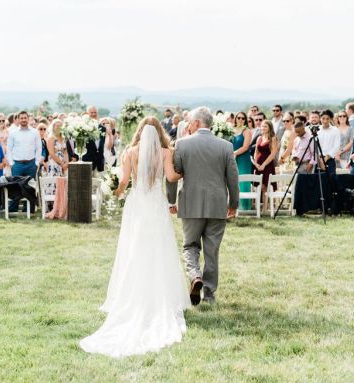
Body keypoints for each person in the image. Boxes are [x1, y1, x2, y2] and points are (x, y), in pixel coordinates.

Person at [80, 117, 190, 358]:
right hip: (156, 203)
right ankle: (162, 295)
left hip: (138, 204)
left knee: (135, 247)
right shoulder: (165, 152)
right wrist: (186, 172)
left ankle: (133, 291)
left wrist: (115, 191)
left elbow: (124, 181)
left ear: (140, 131)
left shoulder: (130, 151)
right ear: (160, 131)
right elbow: (171, 177)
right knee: (160, 248)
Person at [166, 107, 239, 306]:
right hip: (217, 205)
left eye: (190, 122)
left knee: (190, 245)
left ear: (197, 123)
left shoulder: (181, 145)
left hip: (190, 203)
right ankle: (209, 294)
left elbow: (173, 176)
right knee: (212, 250)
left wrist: (171, 200)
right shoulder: (226, 146)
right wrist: (233, 204)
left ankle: (195, 276)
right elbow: (233, 178)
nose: (188, 125)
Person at [6, 111, 43, 212]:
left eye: (25, 118)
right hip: (17, 164)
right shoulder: (13, 133)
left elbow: (39, 148)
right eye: (21, 118)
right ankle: (13, 208)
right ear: (18, 119)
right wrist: (11, 163)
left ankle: (29, 209)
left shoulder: (35, 132)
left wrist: (36, 162)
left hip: (31, 164)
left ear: (28, 119)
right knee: (15, 186)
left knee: (30, 187)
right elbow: (8, 149)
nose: (23, 120)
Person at [254, 120, 279, 212]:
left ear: (269, 128)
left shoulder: (273, 138)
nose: (263, 128)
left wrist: (264, 165)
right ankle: (259, 208)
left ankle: (265, 208)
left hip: (267, 165)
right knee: (259, 186)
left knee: (266, 186)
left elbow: (273, 154)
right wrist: (256, 163)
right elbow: (256, 152)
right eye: (262, 126)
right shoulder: (259, 138)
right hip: (258, 165)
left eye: (265, 126)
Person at [232, 112, 252, 211]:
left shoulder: (246, 131)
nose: (240, 119)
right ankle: (233, 206)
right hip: (232, 158)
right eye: (238, 117)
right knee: (233, 181)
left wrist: (233, 153)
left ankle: (244, 207)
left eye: (243, 118)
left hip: (243, 159)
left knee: (243, 181)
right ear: (235, 118)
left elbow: (245, 147)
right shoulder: (231, 129)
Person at [81, 105, 106, 174]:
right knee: (86, 183)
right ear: (87, 114)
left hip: (99, 161)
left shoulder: (103, 128)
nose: (94, 114)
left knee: (98, 184)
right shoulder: (83, 128)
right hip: (87, 161)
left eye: (95, 112)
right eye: (91, 112)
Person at [317, 110, 341, 174]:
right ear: (320, 118)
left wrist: (326, 158)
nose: (325, 121)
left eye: (327, 119)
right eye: (323, 118)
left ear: (330, 119)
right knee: (318, 181)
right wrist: (320, 161)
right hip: (318, 160)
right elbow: (315, 146)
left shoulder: (335, 130)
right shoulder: (317, 130)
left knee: (331, 180)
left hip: (330, 159)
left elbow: (336, 146)